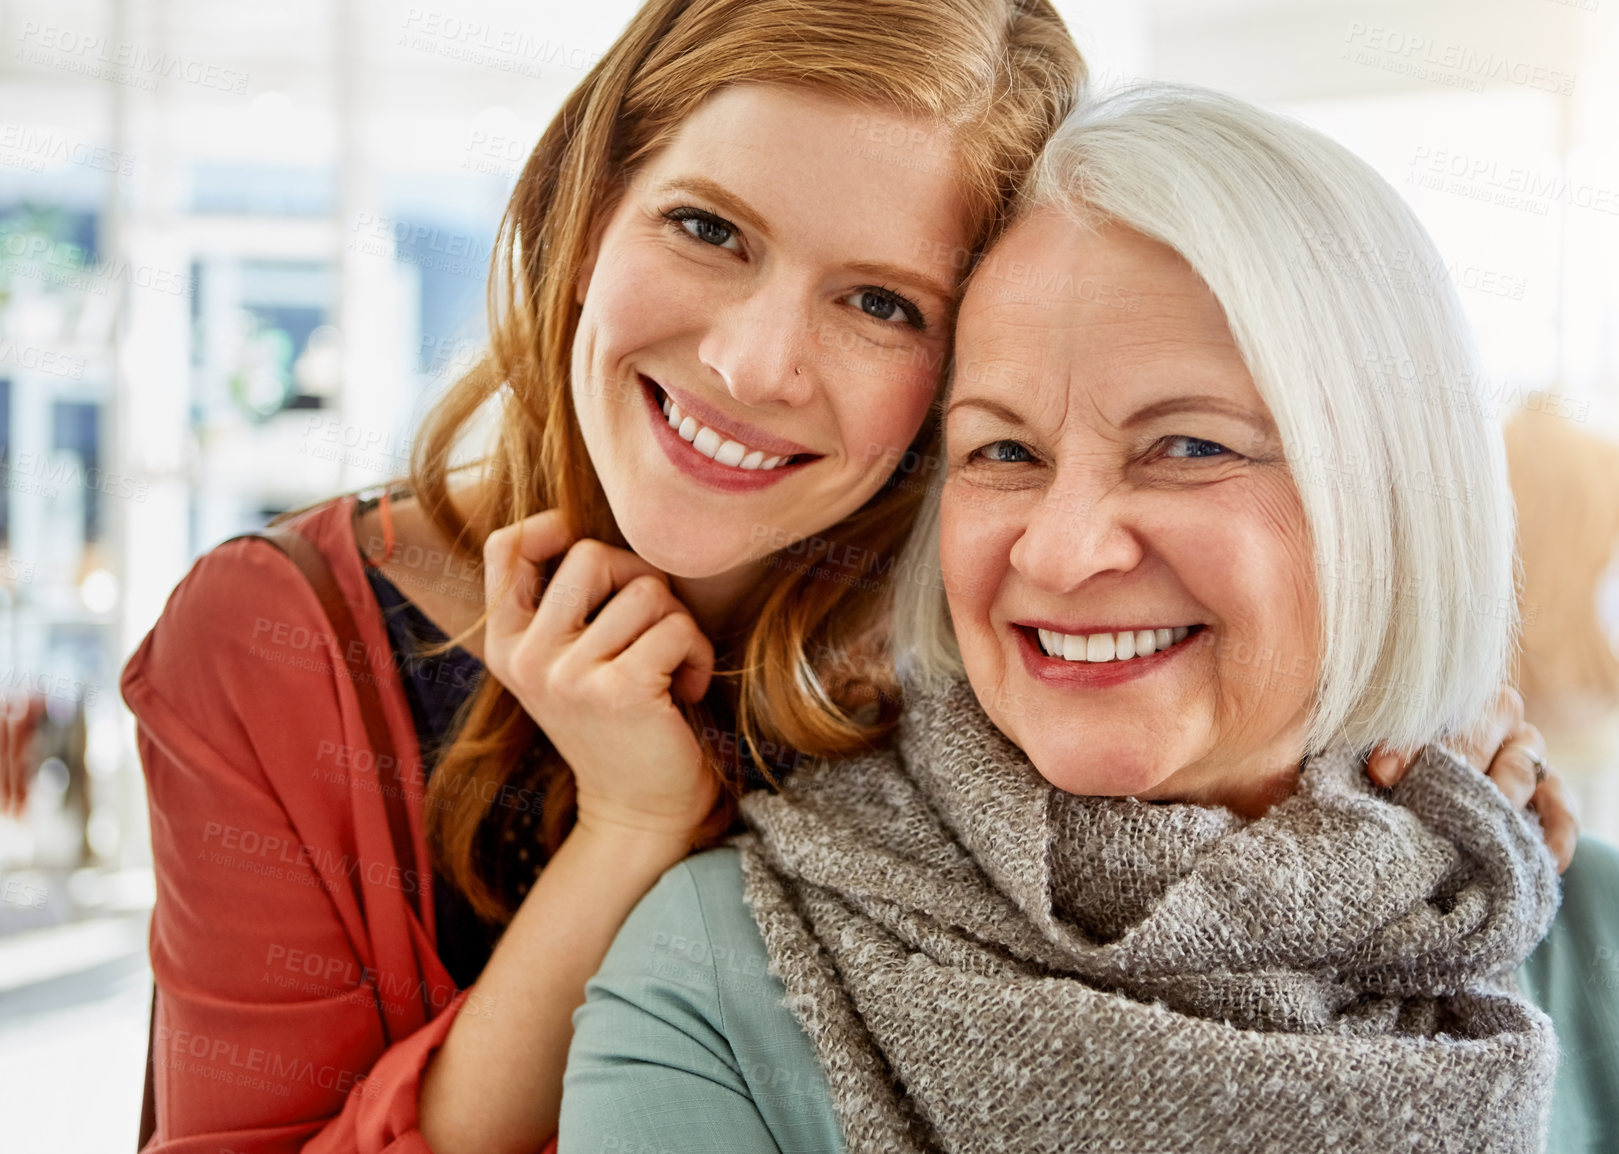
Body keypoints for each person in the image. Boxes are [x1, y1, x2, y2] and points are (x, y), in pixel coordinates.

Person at [560, 84, 1619, 1153]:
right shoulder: (715, 974)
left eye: (1187, 446)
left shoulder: (1611, 941)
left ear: (1389, 497)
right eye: (1002, 449)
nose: (1064, 552)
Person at [121, 3, 1086, 1151]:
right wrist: (628, 823)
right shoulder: (273, 636)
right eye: (707, 229)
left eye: (881, 304)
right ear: (586, 216)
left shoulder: (1008, 669)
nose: (751, 364)